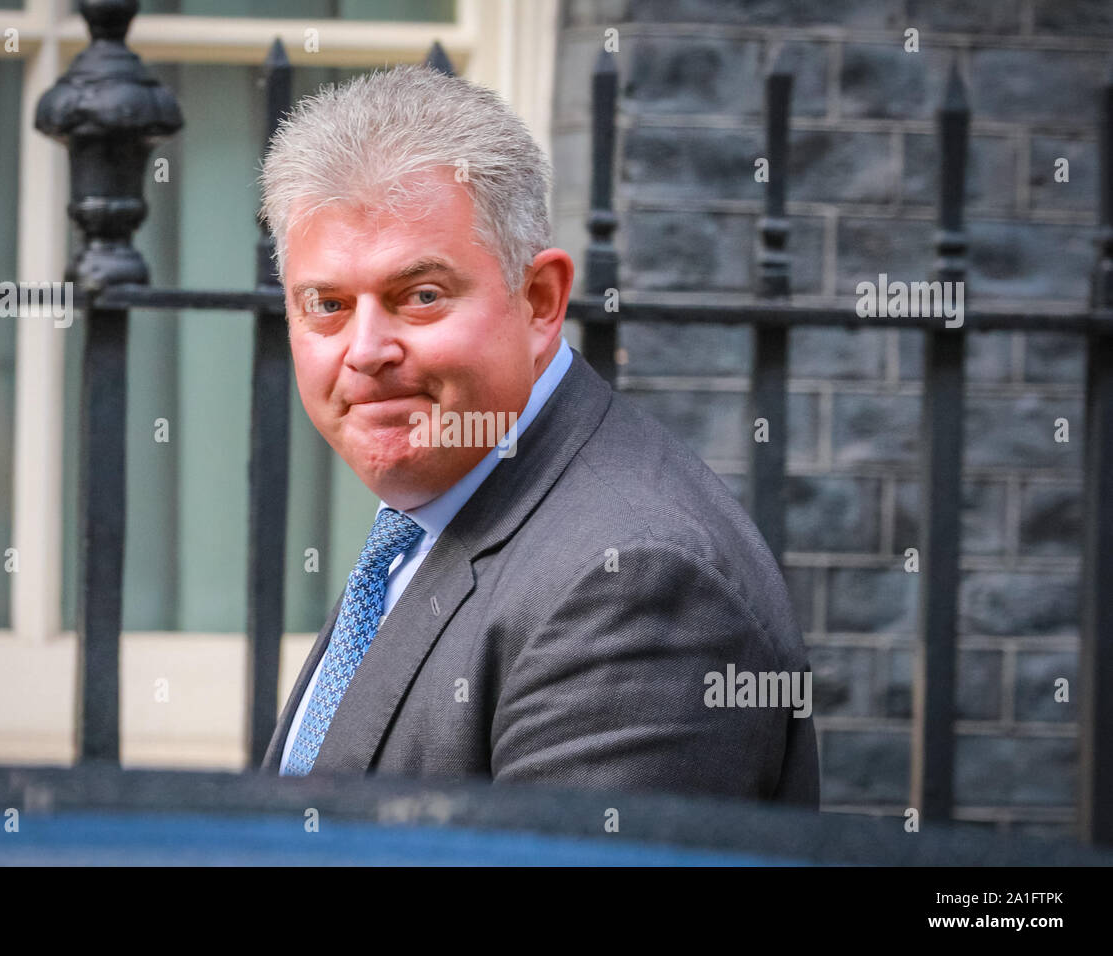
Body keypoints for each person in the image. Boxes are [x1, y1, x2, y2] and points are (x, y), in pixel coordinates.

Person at [256, 64, 819, 805]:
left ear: (541, 301)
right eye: (326, 303)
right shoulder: (432, 510)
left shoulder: (633, 584)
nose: (365, 350)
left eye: (420, 296)